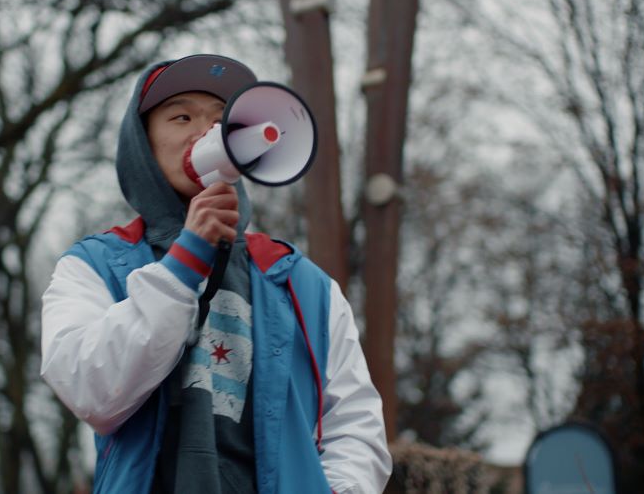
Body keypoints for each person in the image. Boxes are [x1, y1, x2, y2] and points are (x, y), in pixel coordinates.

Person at [40, 54, 392, 493]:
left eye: (224, 121)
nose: (206, 132)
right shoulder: (92, 267)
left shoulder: (304, 285)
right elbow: (94, 393)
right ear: (141, 141)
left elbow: (355, 426)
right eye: (182, 115)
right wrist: (185, 262)